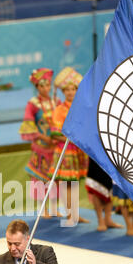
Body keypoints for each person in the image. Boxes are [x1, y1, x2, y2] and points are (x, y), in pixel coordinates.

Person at [48, 66, 89, 223]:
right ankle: (70, 214)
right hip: (65, 150)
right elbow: (55, 132)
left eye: (73, 89)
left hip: (78, 149)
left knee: (75, 183)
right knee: (66, 184)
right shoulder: (59, 109)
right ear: (63, 92)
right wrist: (71, 138)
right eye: (67, 90)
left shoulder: (81, 108)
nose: (70, 92)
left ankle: (75, 213)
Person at [19, 68, 61, 218]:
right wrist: (43, 138)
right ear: (37, 87)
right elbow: (28, 125)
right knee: (40, 178)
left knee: (56, 178)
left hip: (55, 147)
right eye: (42, 86)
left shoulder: (56, 101)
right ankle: (43, 208)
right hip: (41, 147)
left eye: (48, 85)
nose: (45, 88)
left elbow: (62, 120)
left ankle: (55, 207)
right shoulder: (33, 104)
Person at [85, 159, 123, 231]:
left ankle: (108, 219)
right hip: (96, 158)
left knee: (109, 188)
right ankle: (100, 221)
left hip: (109, 157)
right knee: (96, 189)